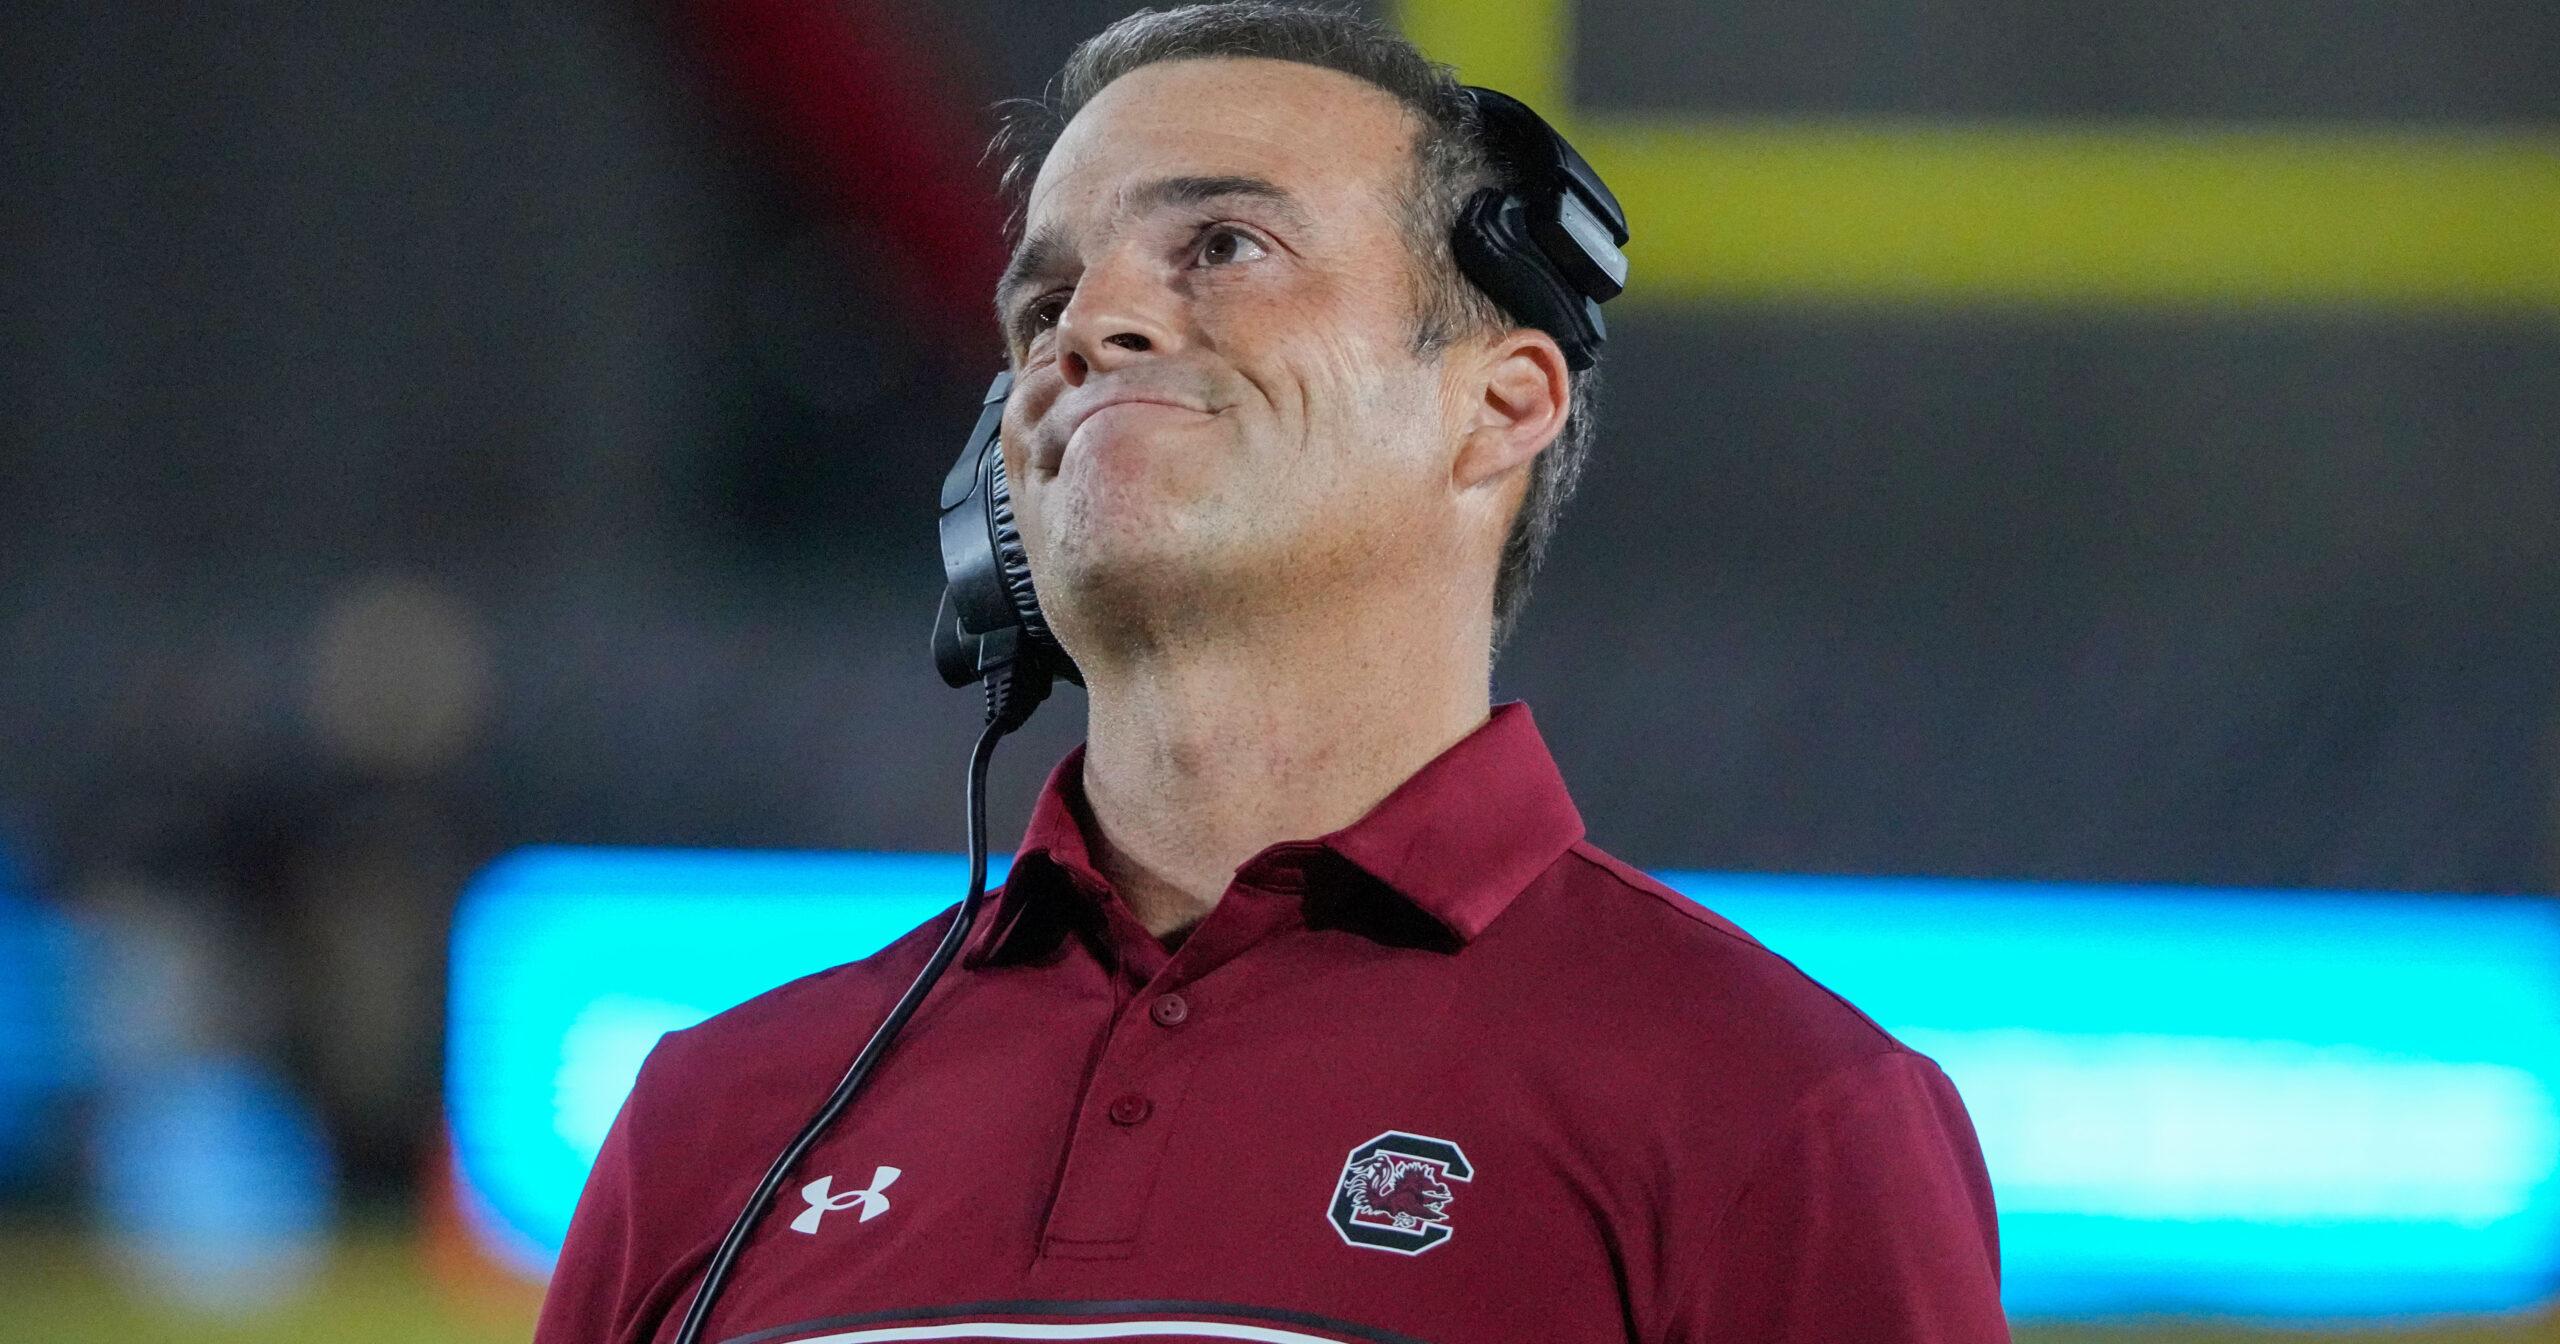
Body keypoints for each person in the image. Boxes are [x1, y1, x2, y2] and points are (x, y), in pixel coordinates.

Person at [535, 6, 2008, 1342]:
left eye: (1224, 247)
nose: (1086, 329)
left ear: (1500, 405)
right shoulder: (718, 1118)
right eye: (1043, 305)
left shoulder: (1781, 1113)